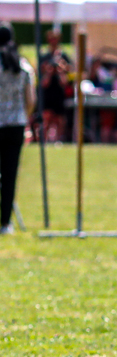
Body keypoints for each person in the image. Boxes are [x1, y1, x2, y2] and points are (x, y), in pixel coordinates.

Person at [0, 23, 34, 236]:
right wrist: (24, 116)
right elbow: (30, 100)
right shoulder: (23, 66)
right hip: (16, 125)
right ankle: (6, 223)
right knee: (10, 174)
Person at [38, 30, 70, 143]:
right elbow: (43, 81)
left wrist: (61, 69)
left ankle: (59, 141)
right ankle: (44, 140)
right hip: (48, 92)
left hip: (59, 92)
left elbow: (65, 79)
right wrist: (49, 71)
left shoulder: (63, 56)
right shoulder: (45, 56)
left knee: (60, 119)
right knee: (46, 118)